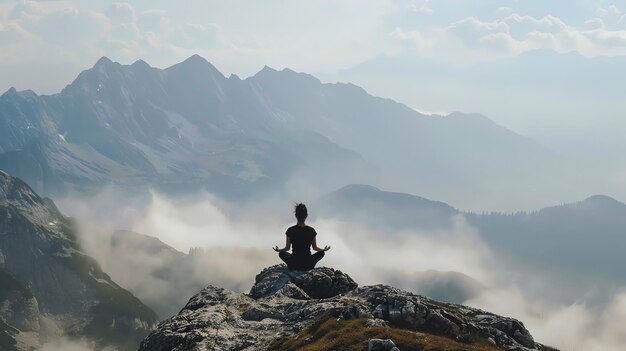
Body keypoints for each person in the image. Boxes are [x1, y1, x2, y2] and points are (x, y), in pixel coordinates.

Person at [273, 203, 330, 270]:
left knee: (281, 253)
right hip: (308, 264)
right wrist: (324, 249)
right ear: (306, 216)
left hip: (294, 263)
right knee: (321, 253)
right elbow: (315, 248)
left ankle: (292, 266)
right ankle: (310, 266)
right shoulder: (311, 230)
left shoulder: (290, 230)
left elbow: (287, 248)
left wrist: (278, 250)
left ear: (296, 216)